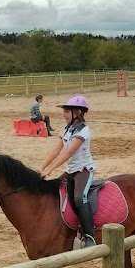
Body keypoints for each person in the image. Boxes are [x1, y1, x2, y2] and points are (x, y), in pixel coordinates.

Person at [39, 95, 96, 248]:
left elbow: (68, 152)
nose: (63, 114)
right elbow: (56, 150)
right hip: (70, 171)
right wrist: (42, 168)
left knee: (79, 198)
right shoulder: (66, 129)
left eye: (66, 111)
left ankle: (90, 236)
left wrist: (50, 170)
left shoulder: (84, 130)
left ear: (77, 112)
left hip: (83, 170)